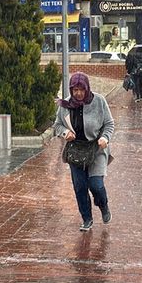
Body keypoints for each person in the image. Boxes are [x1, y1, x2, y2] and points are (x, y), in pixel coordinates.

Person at [54, 72, 114, 232]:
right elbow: (57, 125)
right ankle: (87, 218)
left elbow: (109, 123)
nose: (78, 93)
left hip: (96, 149)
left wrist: (105, 138)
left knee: (96, 186)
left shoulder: (99, 101)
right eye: (75, 90)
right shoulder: (65, 105)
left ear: (87, 88)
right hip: (76, 150)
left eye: (81, 89)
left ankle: (103, 205)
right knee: (80, 186)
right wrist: (65, 133)